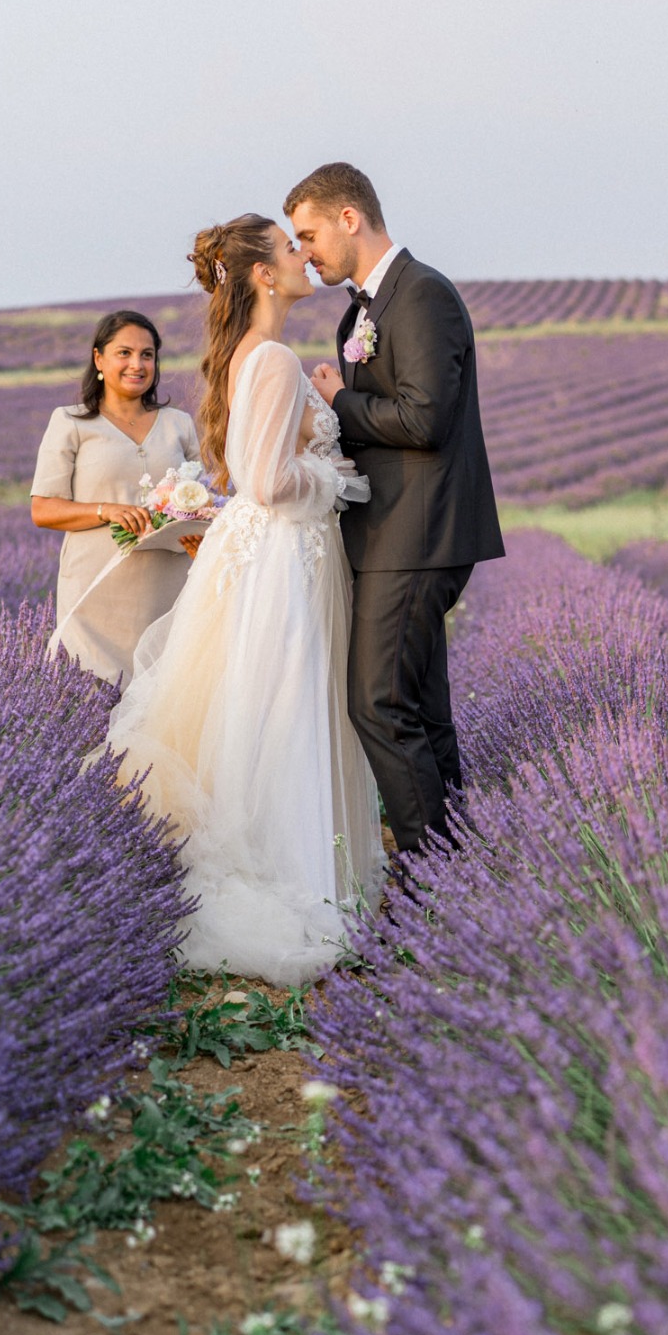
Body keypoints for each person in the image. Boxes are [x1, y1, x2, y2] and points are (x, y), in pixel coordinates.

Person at [104, 214, 384, 985]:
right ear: (263, 274)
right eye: (291, 249)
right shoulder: (272, 360)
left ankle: (307, 875)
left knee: (274, 706)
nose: (303, 258)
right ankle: (298, 886)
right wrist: (339, 479)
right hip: (285, 557)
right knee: (287, 706)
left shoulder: (260, 358)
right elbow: (264, 482)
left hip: (282, 552)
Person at [285, 162, 504, 856]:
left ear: (350, 219)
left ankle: (425, 879)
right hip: (392, 533)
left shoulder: (421, 295)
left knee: (376, 704)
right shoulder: (362, 310)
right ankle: (457, 867)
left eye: (310, 234)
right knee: (421, 709)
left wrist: (336, 401)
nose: (305, 252)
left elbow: (427, 418)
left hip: (418, 534)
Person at [30, 311, 200, 682]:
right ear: (98, 359)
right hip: (95, 599)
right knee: (94, 707)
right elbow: (43, 509)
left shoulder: (179, 424)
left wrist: (200, 535)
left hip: (168, 594)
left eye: (147, 354)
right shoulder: (70, 422)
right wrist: (107, 510)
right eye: (124, 353)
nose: (137, 364)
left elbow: (203, 502)